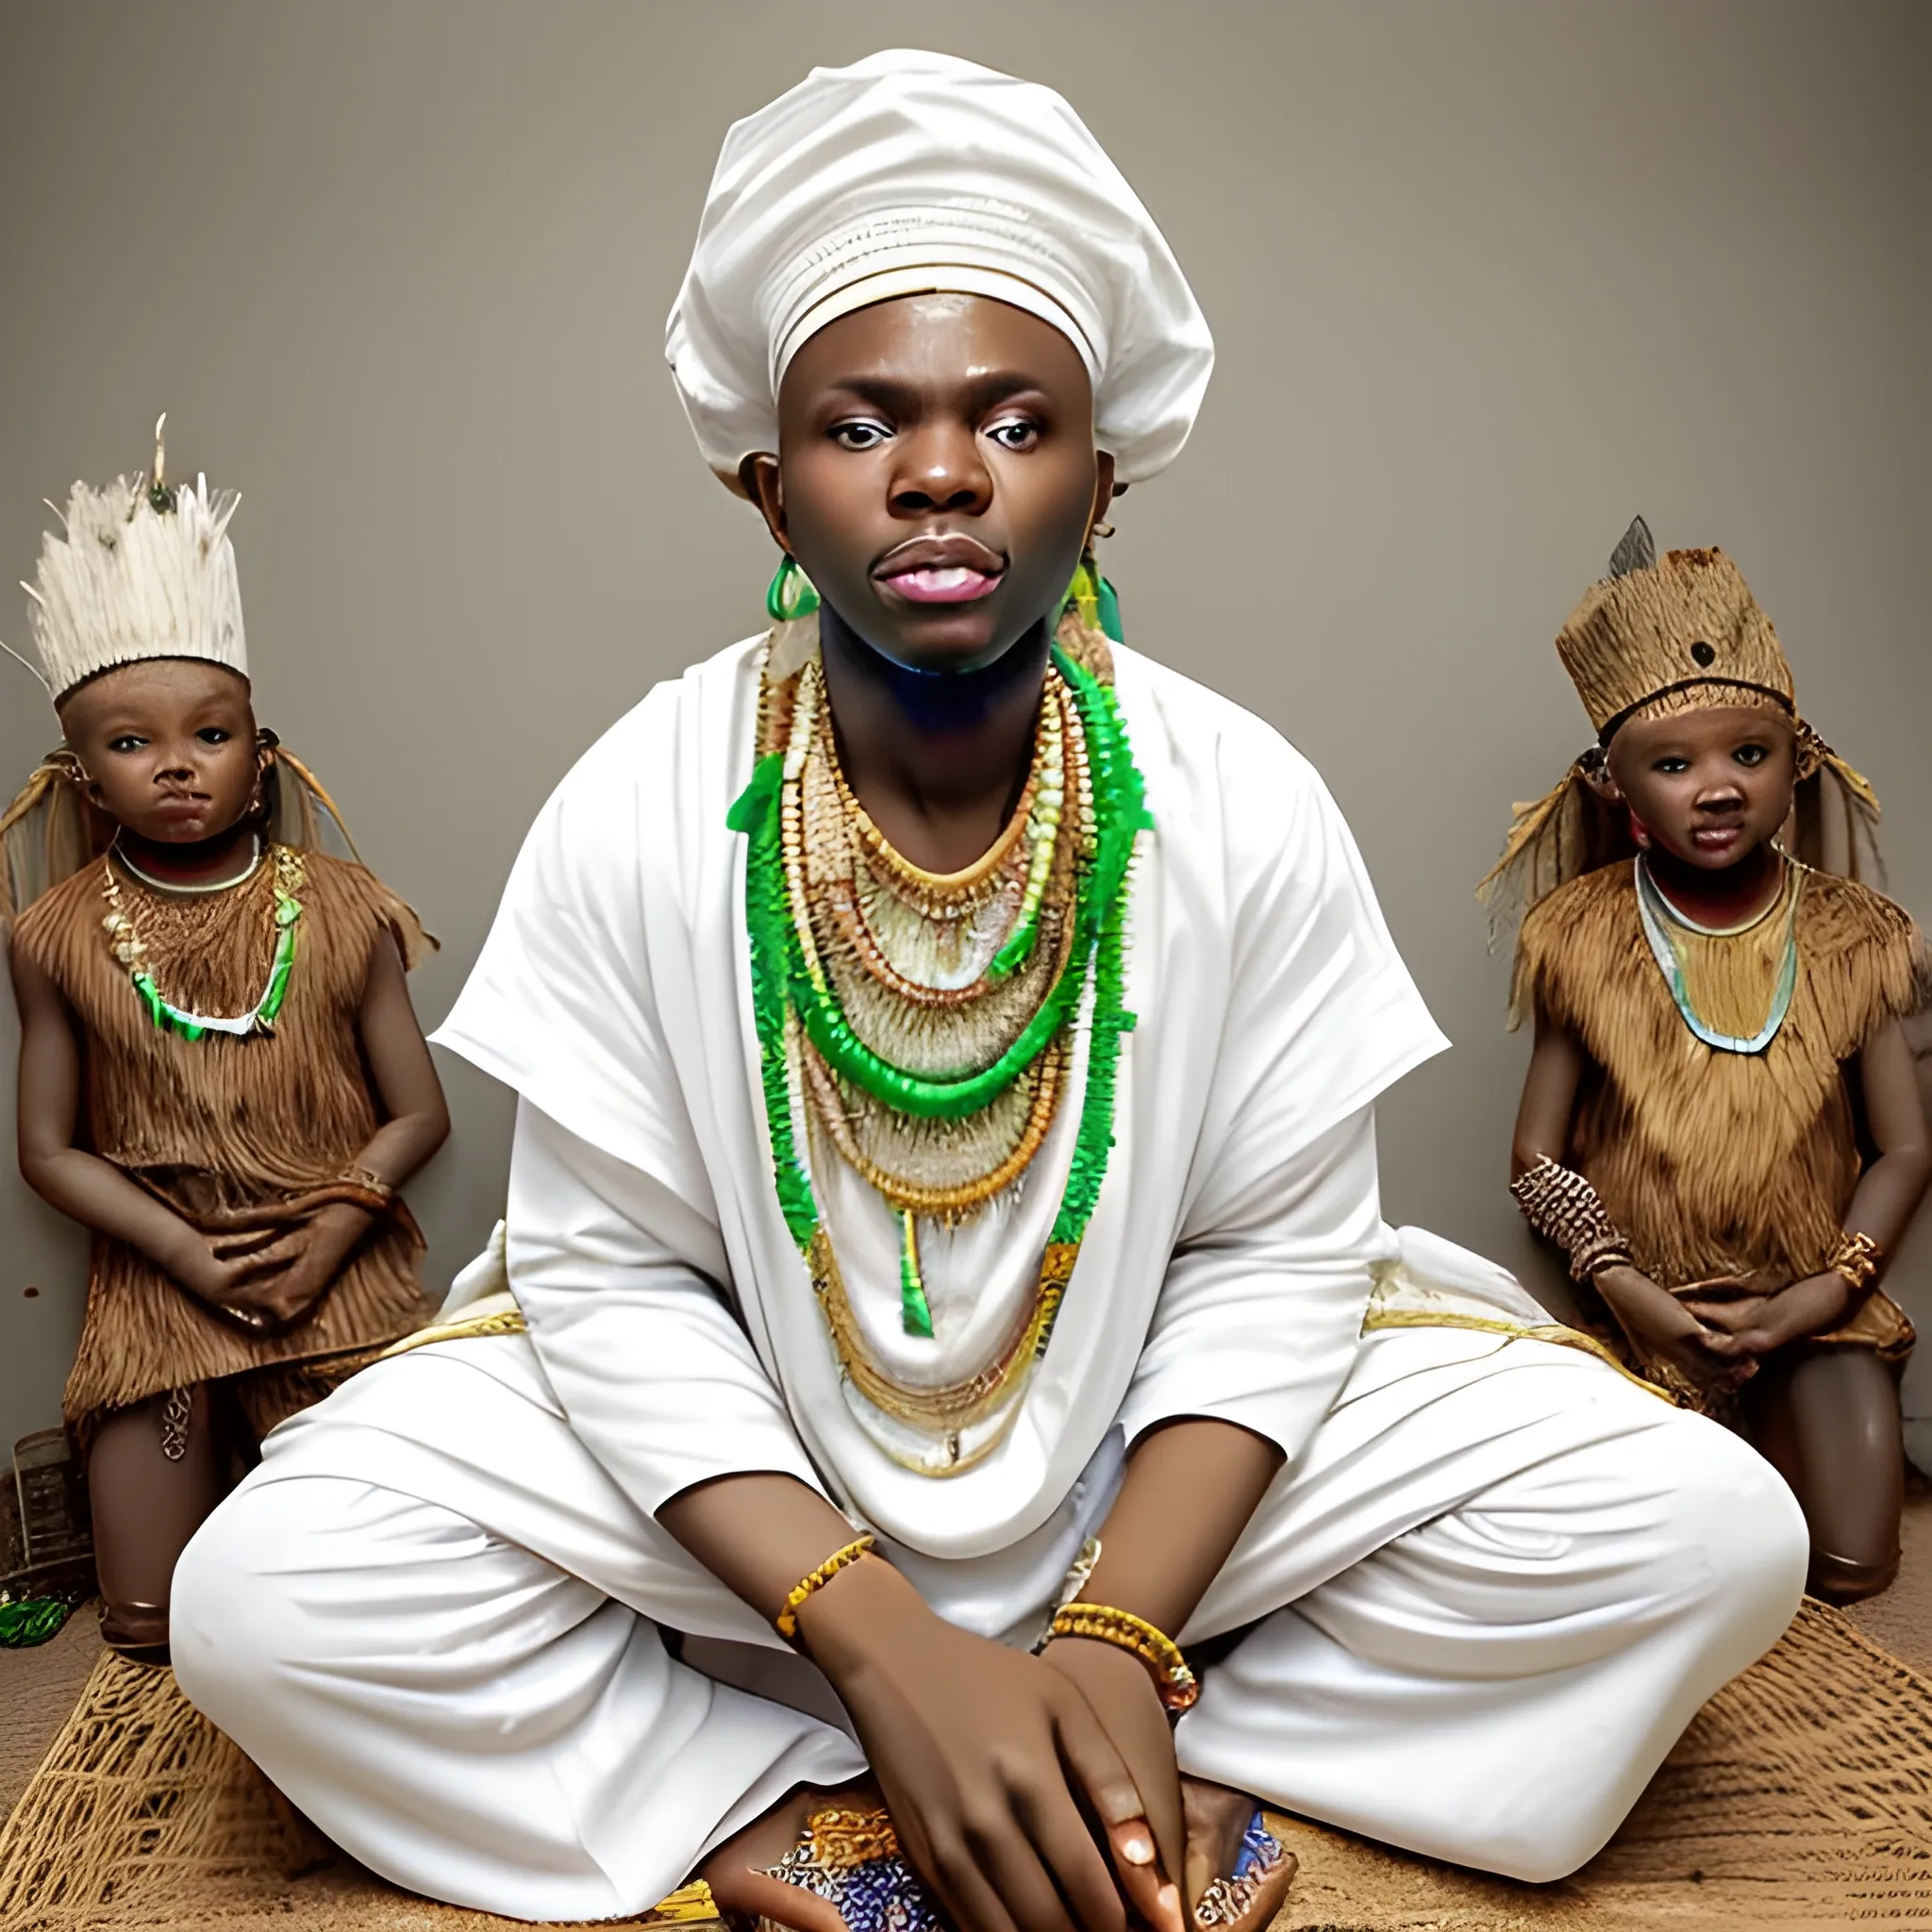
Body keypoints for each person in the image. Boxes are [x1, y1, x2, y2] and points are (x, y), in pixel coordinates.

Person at [171, 53, 1806, 1928]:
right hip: (759, 1484)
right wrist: (875, 1635)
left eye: (1011, 421)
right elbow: (606, 1278)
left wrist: (1111, 1631)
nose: (939, 469)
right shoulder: (643, 792)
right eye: (862, 425)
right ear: (768, 491)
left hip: (1144, 1478)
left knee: (1706, 1531)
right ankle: (804, 1790)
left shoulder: (1233, 793)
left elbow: (1274, 1264)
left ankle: (1107, 1737)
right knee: (262, 1595)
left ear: (1098, 484)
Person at [3, 421, 450, 1664]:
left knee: (392, 1567)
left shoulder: (345, 904)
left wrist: (334, 1226)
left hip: (334, 1257)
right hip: (161, 1286)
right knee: (148, 1620)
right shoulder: (51, 934)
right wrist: (190, 1261)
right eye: (132, 743)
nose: (178, 768)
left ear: (260, 759)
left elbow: (418, 1113)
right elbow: (49, 1150)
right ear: (87, 778)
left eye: (209, 734)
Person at [1483, 517, 1931, 1604]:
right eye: (1673, 764)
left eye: (1748, 754)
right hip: (1650, 1312)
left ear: (1800, 760)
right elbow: (1536, 1157)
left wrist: (1818, 1295)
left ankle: (1782, 1428)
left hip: (1815, 1309)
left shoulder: (1855, 934)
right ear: (1615, 788)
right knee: (1659, 1569)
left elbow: (1904, 1145)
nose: (1717, 786)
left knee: (1853, 1564)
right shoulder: (1579, 935)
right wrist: (1625, 1289)